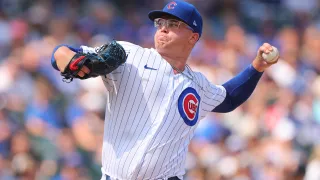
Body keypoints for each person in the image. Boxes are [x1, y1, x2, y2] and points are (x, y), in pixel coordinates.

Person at [51, 1, 279, 179]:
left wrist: (257, 67)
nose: (163, 29)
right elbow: (62, 52)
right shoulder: (129, 55)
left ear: (193, 37)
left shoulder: (198, 84)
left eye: (173, 24)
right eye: (160, 23)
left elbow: (229, 98)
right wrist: (70, 59)